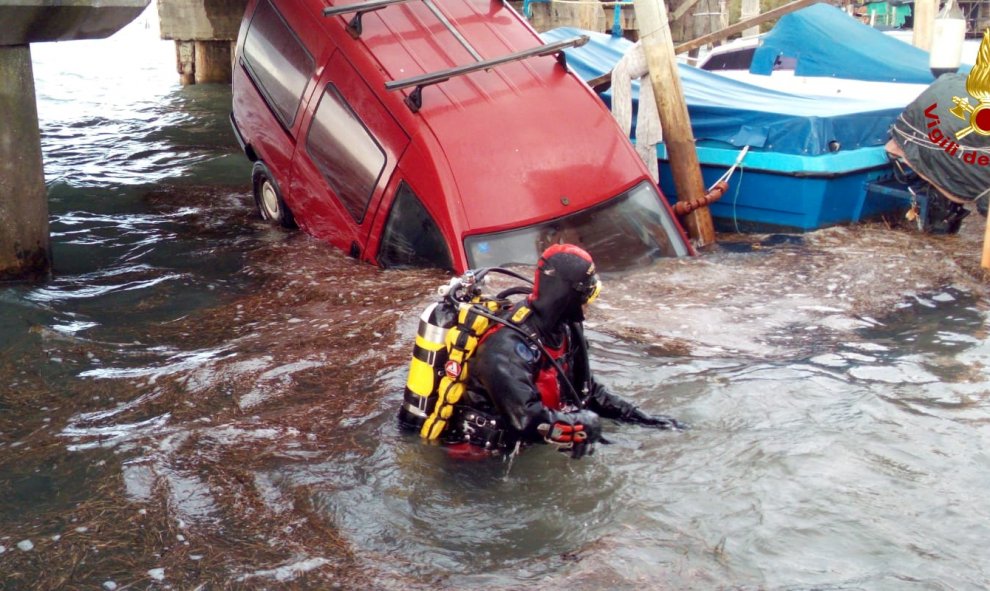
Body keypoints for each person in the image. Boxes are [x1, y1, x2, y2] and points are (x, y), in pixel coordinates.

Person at [443, 243, 682, 459]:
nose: (589, 302)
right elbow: (525, 420)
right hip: (480, 462)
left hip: (530, 446)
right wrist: (579, 424)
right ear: (566, 294)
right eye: (588, 294)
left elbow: (586, 390)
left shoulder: (565, 327)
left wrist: (640, 418)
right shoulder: (504, 349)